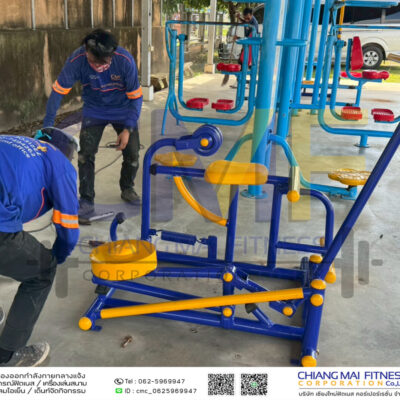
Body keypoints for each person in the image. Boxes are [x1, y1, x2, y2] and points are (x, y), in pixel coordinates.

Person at [43, 29, 143, 218]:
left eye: (101, 62)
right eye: (92, 61)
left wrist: (128, 128)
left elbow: (136, 98)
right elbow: (57, 92)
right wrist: (48, 127)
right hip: (94, 110)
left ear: (111, 55)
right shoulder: (77, 60)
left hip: (123, 110)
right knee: (85, 155)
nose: (96, 66)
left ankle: (127, 187)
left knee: (132, 153)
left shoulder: (125, 61)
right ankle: (87, 201)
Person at [0, 129, 80, 367]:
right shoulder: (59, 162)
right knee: (41, 272)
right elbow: (68, 226)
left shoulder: (12, 142)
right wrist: (57, 256)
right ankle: (7, 357)